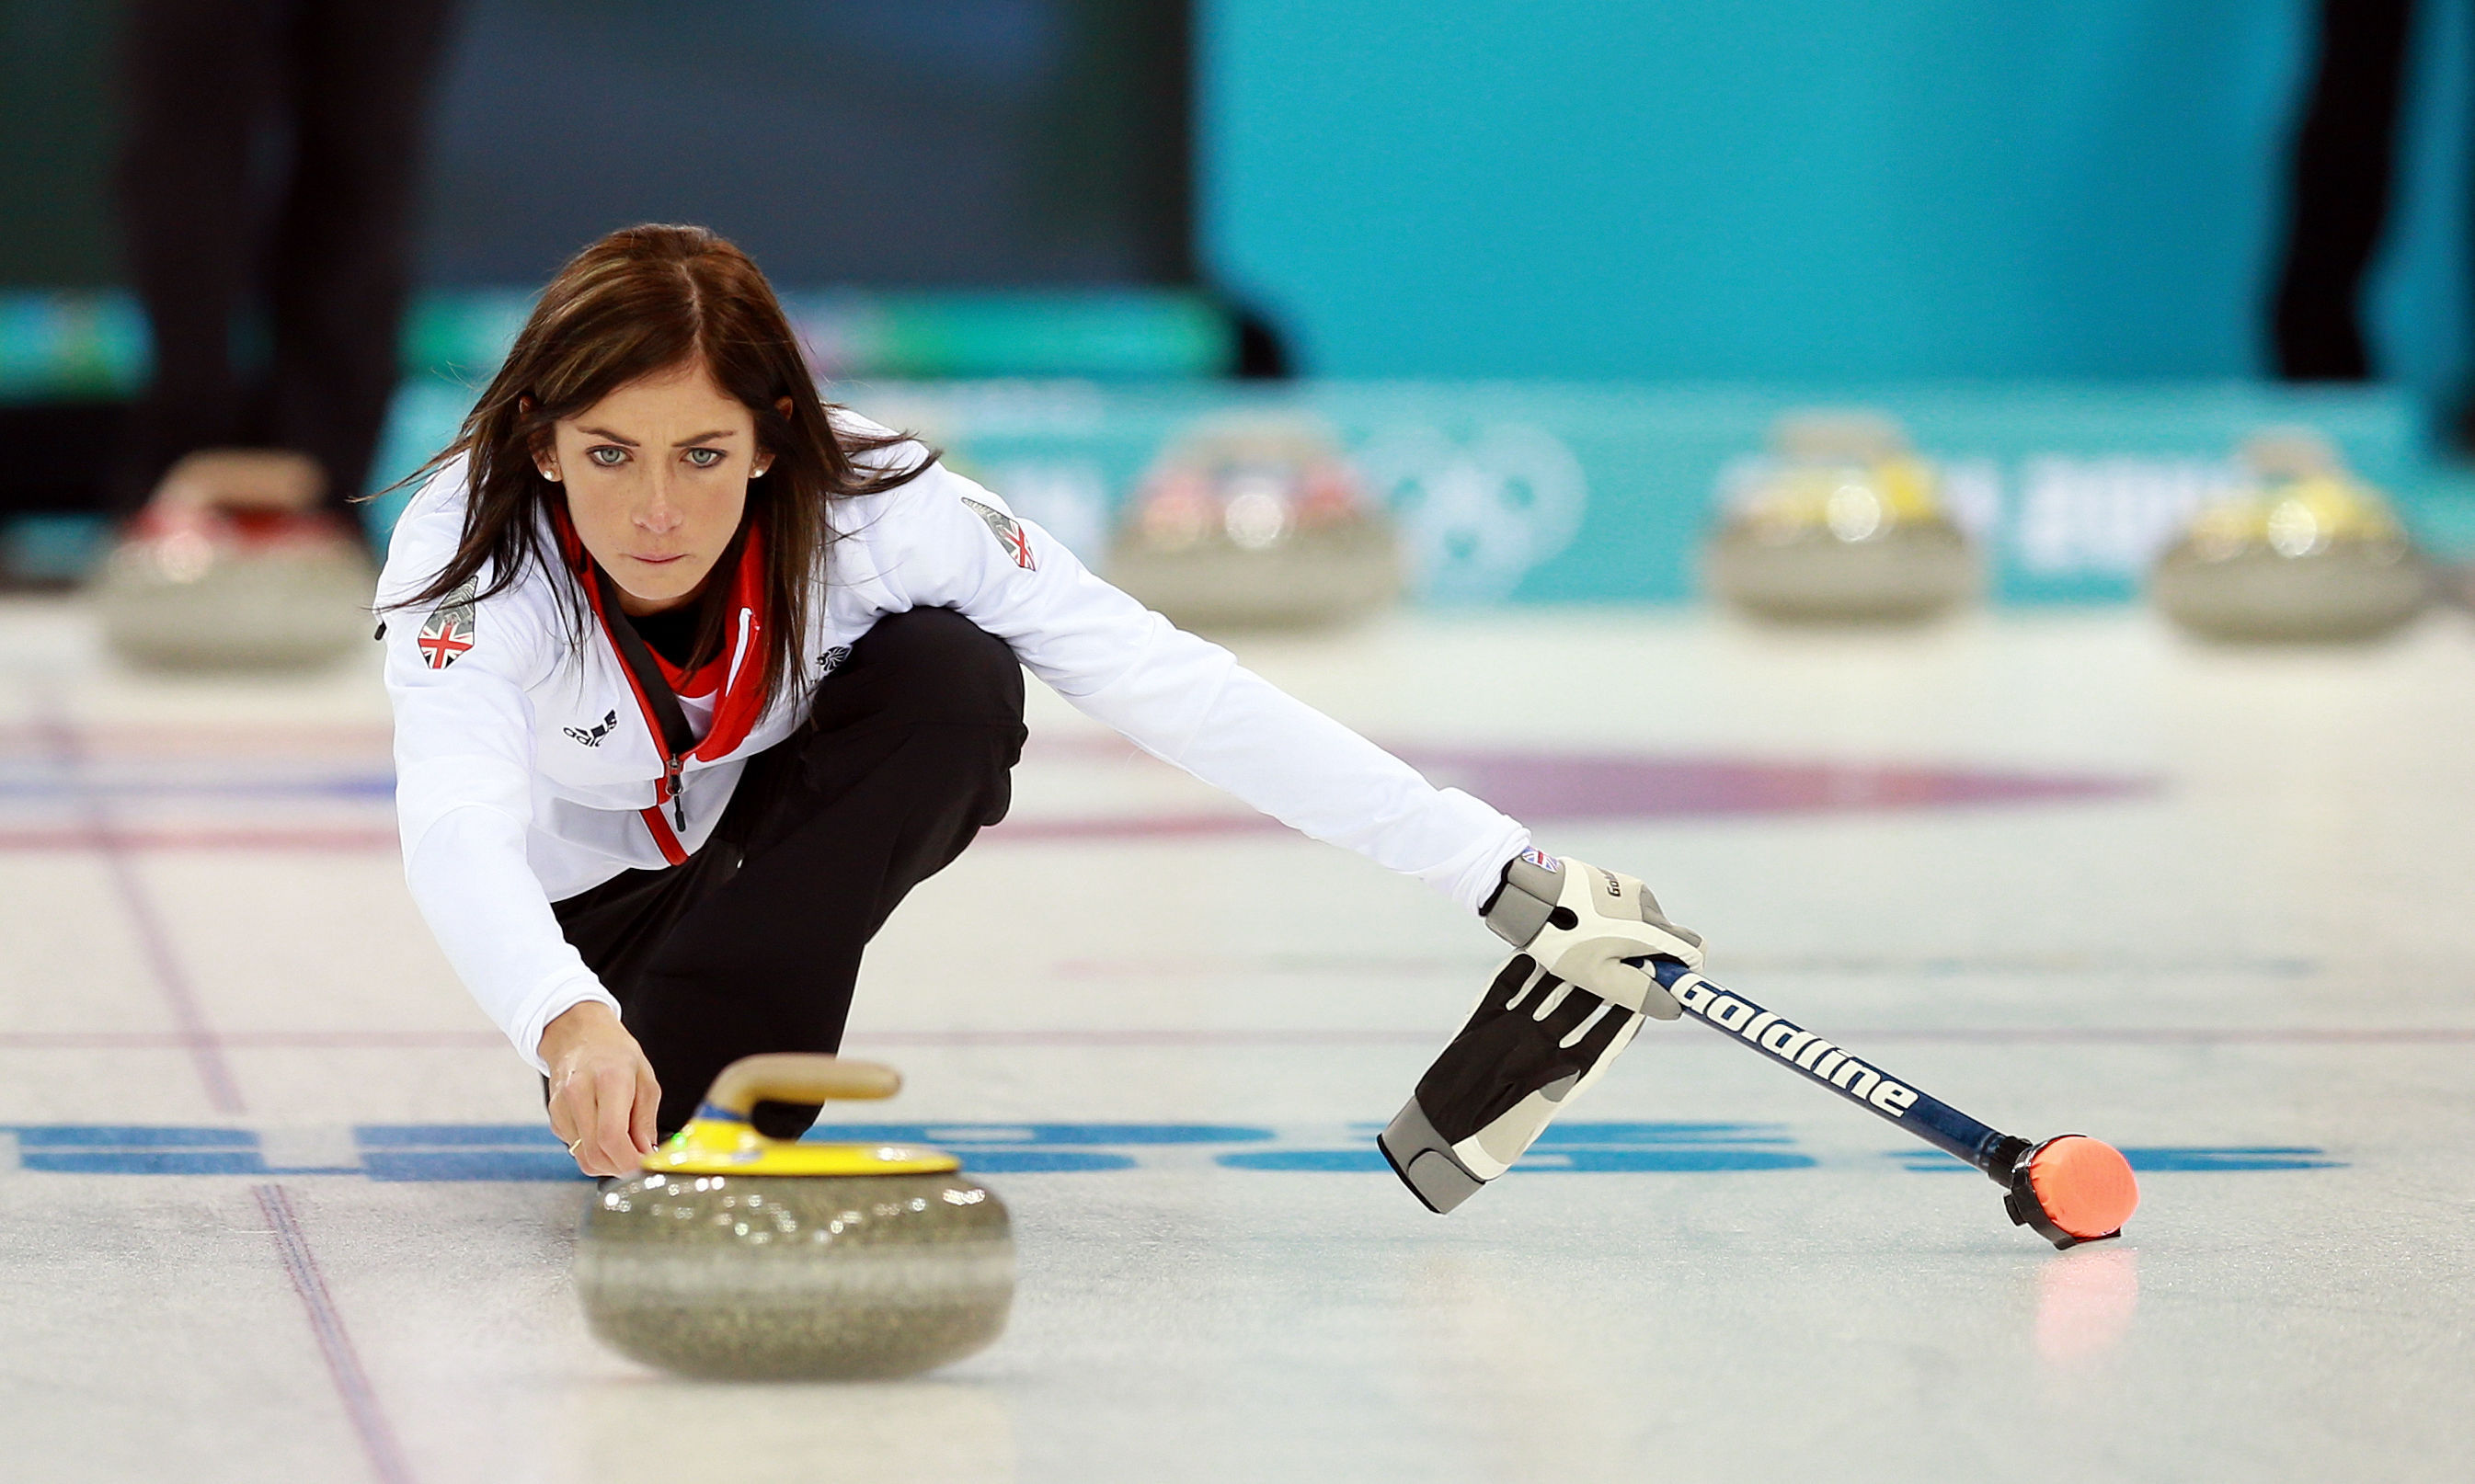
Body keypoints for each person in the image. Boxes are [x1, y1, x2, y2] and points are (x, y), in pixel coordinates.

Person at [376, 224, 1704, 1209]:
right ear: (543, 443)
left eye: (702, 453)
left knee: (954, 681)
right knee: (609, 1035)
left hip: (756, 846)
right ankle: (651, 1043)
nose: (656, 508)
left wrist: (1495, 866)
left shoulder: (883, 513)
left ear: (775, 438)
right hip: (583, 909)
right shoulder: (469, 557)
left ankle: (721, 1100)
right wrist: (562, 1015)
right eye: (610, 453)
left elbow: (1168, 682)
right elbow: (453, 825)